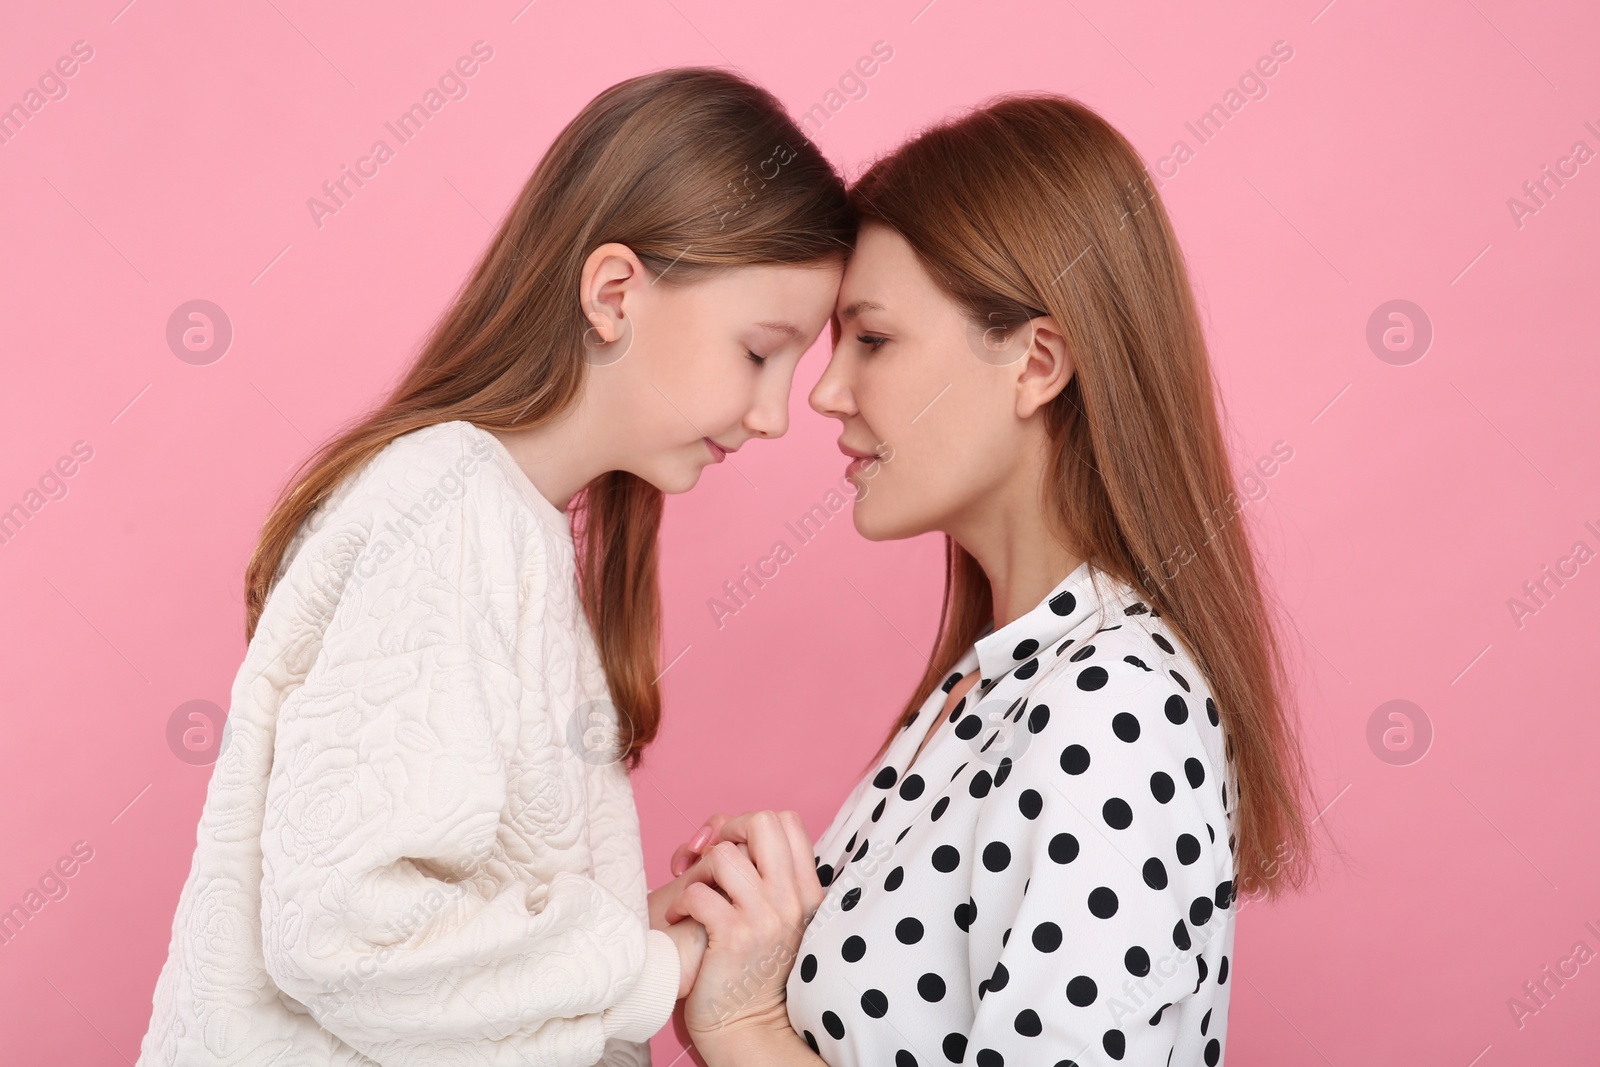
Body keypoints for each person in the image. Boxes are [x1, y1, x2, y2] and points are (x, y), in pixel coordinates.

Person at [134, 66, 854, 1067]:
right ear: (613, 293)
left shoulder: (509, 522)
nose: (775, 415)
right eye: (758, 352)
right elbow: (349, 927)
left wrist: (631, 930)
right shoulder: (450, 507)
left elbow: (430, 918)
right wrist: (666, 957)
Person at [658, 92, 1318, 1066]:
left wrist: (747, 1024)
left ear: (1036, 361)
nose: (827, 392)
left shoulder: (1111, 704)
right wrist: (759, 938)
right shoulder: (999, 679)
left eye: (872, 338)